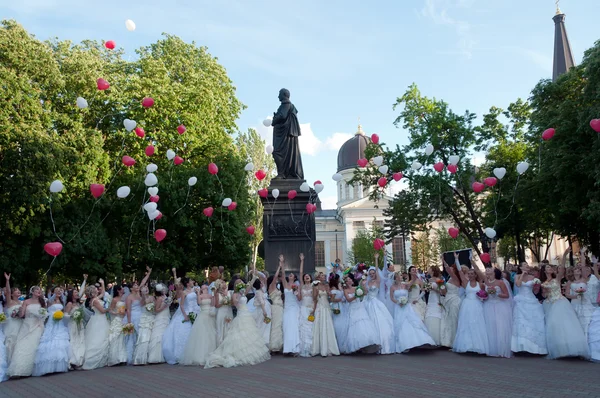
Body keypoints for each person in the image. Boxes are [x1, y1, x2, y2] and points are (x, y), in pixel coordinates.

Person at [271, 88, 304, 179]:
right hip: (286, 135)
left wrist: (274, 120)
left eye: (279, 94)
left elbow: (282, 116)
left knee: (278, 152)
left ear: (284, 95)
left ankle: (282, 174)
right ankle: (283, 173)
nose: (278, 96)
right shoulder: (288, 105)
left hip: (285, 136)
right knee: (285, 153)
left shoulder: (285, 105)